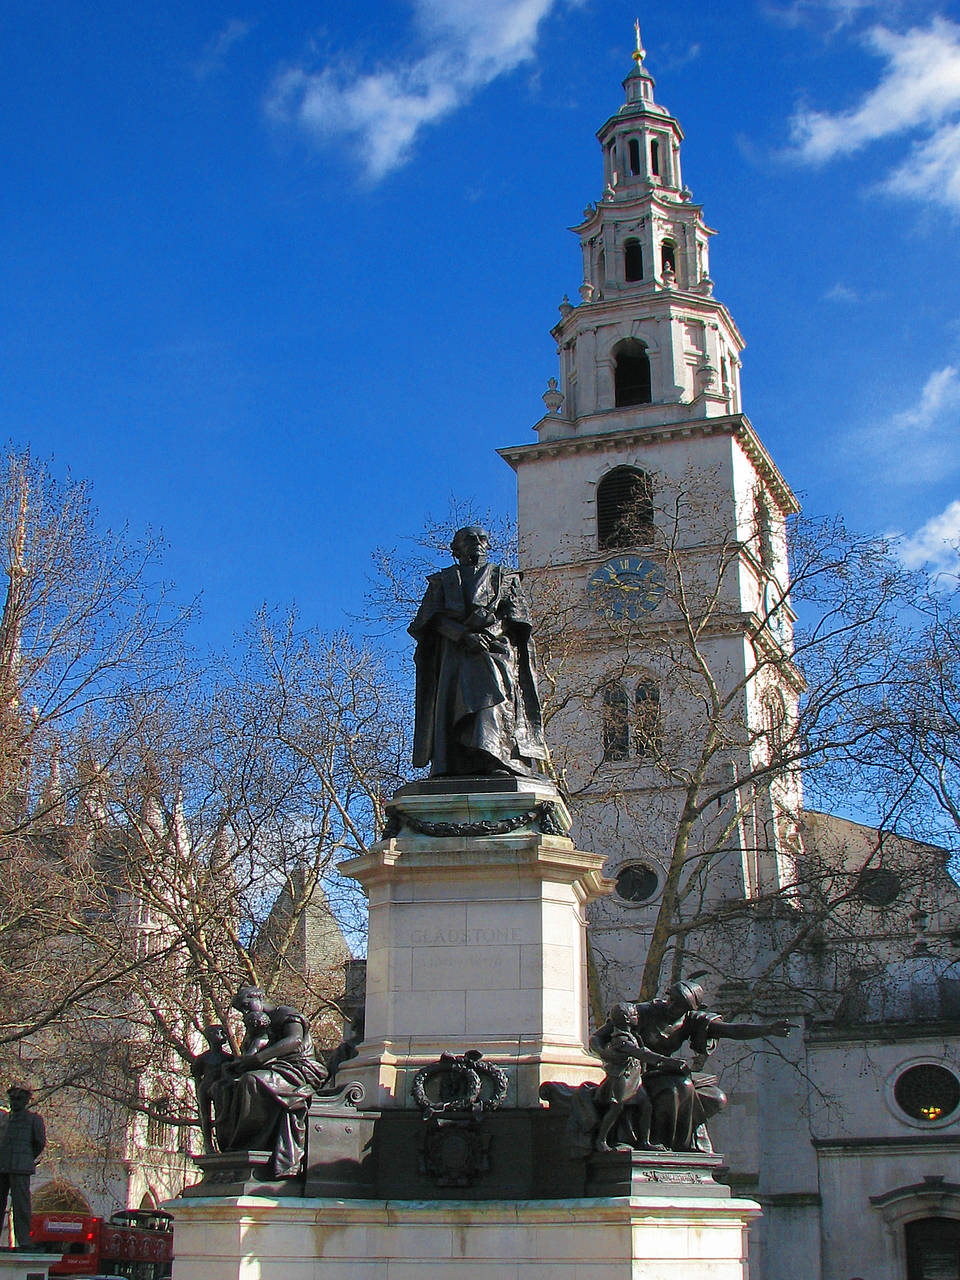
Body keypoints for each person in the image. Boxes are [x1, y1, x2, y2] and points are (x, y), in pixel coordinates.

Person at [409, 525, 548, 777]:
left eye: (481, 538)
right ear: (456, 548)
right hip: (454, 650)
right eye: (468, 539)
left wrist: (487, 634)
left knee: (491, 684)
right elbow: (429, 621)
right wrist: (461, 635)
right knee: (454, 686)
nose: (477, 542)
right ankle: (451, 762)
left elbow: (515, 619)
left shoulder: (505, 577)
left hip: (494, 649)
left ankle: (495, 756)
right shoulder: (441, 581)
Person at [631, 979, 793, 1152]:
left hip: (669, 1074)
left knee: (715, 1099)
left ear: (689, 1009)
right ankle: (672, 1145)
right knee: (681, 1088)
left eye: (678, 1006)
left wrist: (767, 1029)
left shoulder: (692, 1020)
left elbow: (732, 1030)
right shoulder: (645, 1012)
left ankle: (686, 1147)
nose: (671, 1007)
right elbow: (607, 1039)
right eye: (671, 1000)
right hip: (641, 1073)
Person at [209, 987, 328, 1178]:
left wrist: (257, 1060)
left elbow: (295, 1040)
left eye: (247, 1006)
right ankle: (235, 1146)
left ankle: (252, 1142)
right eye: (242, 1011)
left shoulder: (286, 1014)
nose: (246, 1013)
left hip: (300, 1069)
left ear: (259, 997)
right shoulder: (261, 1026)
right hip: (278, 1067)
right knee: (224, 1086)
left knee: (252, 1081)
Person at [589, 1003, 676, 1152]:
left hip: (635, 1078)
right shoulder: (620, 1038)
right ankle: (601, 1140)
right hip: (623, 1078)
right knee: (617, 1107)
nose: (638, 1016)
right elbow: (641, 1053)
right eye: (634, 1014)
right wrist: (666, 1061)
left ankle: (644, 1141)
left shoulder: (631, 1035)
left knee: (646, 1105)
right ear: (626, 1019)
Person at [0, 1084, 45, 1247]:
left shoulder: (34, 1119)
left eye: (19, 1099)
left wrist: (25, 1158)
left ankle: (24, 1240)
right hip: (2, 1166)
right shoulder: (3, 1118)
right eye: (12, 1099)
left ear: (26, 1101)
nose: (15, 1102)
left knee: (21, 1205)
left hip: (21, 1167)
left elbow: (39, 1143)